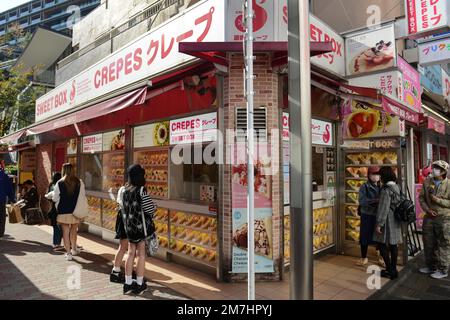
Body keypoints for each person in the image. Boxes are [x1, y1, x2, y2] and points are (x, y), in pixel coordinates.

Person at [120, 164, 156, 294]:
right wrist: (154, 207)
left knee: (130, 254)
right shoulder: (141, 190)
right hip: (141, 228)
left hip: (129, 228)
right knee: (141, 254)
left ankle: (128, 283)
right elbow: (150, 209)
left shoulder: (125, 190)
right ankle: (140, 283)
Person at [418, 160, 450, 279]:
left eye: (437, 168)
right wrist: (427, 210)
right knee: (428, 243)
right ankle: (431, 266)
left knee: (444, 244)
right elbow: (421, 198)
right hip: (429, 218)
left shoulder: (448, 184)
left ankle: (443, 270)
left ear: (443, 171)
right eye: (434, 167)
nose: (434, 170)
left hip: (444, 218)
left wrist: (437, 200)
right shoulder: (427, 182)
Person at [374, 166, 402, 280]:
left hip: (387, 220)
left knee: (381, 244)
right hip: (396, 219)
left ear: (384, 176)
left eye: (380, 175)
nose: (379, 177)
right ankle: (393, 270)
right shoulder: (396, 186)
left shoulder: (386, 190)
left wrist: (379, 224)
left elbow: (384, 208)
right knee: (393, 244)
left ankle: (390, 269)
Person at [52, 163, 86, 261]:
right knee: (74, 231)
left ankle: (68, 253)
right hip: (76, 211)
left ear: (63, 170)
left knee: (65, 232)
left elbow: (55, 198)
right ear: (73, 170)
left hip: (63, 211)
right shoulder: (79, 182)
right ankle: (74, 249)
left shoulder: (59, 182)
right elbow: (82, 196)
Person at [356, 166, 383, 266]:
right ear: (369, 175)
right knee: (365, 236)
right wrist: (375, 201)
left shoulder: (382, 186)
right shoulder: (364, 186)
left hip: (378, 215)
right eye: (373, 174)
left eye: (377, 174)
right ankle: (363, 257)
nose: (376, 176)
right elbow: (362, 201)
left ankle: (381, 256)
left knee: (379, 235)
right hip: (367, 214)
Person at [110, 185, 129, 283]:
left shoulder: (122, 188)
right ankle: (128, 275)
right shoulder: (135, 190)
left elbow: (118, 202)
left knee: (122, 247)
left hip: (122, 218)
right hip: (130, 221)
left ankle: (116, 271)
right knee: (131, 249)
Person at [45, 172, 64, 251]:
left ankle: (56, 243)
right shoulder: (59, 185)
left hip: (53, 207)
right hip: (59, 208)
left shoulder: (50, 185)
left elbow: (48, 196)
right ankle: (57, 243)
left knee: (55, 226)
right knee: (60, 226)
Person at [0, 168, 16, 238]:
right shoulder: (4, 175)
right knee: (1, 217)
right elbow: (9, 189)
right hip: (1, 200)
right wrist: (12, 199)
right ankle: (0, 233)